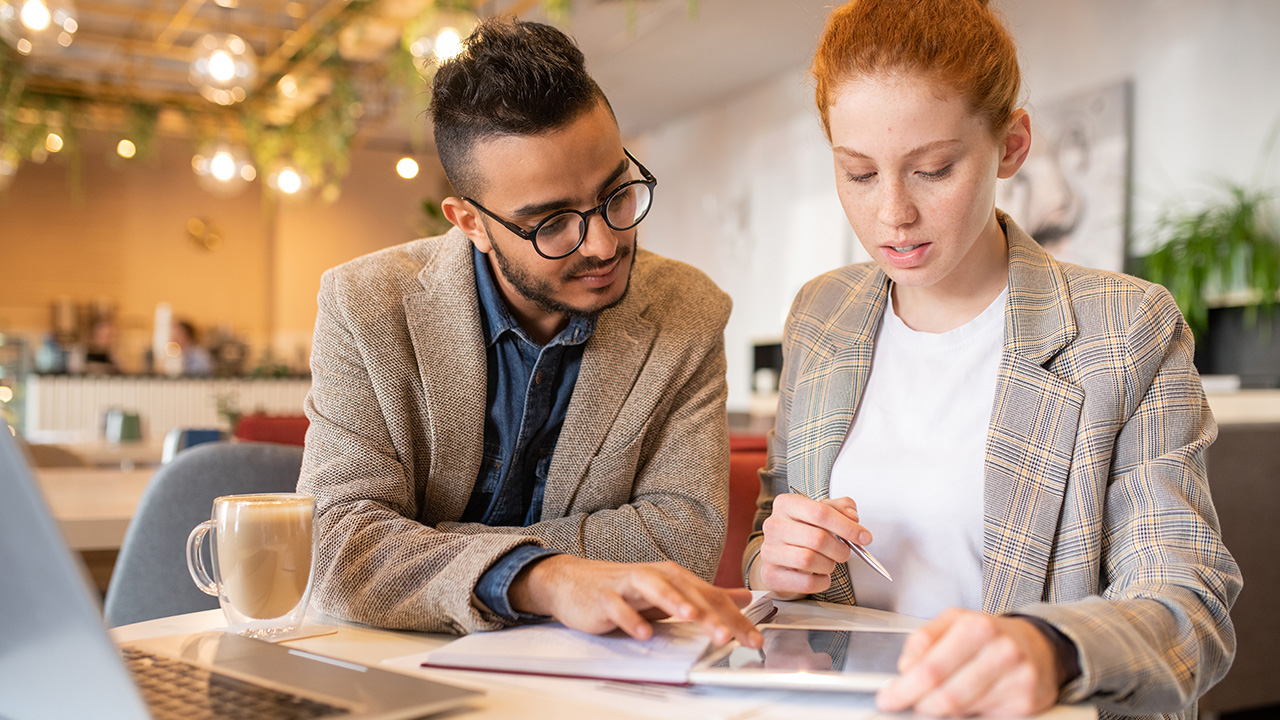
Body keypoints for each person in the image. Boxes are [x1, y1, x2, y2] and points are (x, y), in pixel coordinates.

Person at [743, 1, 1241, 718]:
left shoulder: (1124, 329)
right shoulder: (821, 316)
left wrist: (1050, 650)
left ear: (1011, 145)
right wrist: (779, 563)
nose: (892, 214)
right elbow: (768, 545)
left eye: (933, 169)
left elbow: (1189, 609)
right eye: (857, 173)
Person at [298, 17, 760, 650]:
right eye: (551, 223)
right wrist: (544, 579)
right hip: (399, 664)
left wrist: (426, 543)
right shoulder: (367, 305)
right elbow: (335, 546)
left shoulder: (689, 311)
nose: (603, 243)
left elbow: (686, 537)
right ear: (472, 223)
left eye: (616, 194)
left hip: (600, 674)